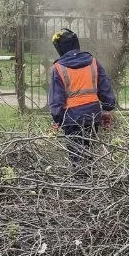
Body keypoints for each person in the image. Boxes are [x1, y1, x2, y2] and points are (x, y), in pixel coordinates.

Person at [48, 28, 116, 165]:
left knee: (75, 156)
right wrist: (107, 108)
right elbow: (105, 87)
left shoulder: (59, 68)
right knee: (89, 151)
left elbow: (56, 99)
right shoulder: (93, 62)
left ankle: (79, 181)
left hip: (71, 118)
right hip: (93, 115)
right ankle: (92, 180)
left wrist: (57, 119)